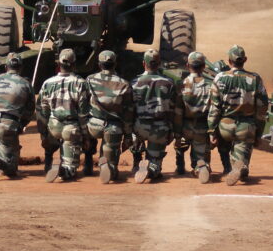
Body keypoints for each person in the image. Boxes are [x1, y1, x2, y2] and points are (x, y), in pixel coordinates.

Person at [207, 44, 268, 186]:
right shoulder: (255, 78)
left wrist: (211, 131)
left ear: (229, 61)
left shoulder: (220, 78)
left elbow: (214, 108)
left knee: (223, 142)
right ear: (245, 59)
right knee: (243, 148)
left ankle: (228, 167)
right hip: (246, 127)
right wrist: (258, 133)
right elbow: (262, 108)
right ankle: (241, 166)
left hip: (225, 127)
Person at [36, 48, 90, 182]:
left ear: (58, 64)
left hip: (53, 126)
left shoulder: (47, 83)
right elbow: (83, 113)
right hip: (70, 128)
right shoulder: (80, 83)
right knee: (70, 170)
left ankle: (49, 162)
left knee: (50, 141)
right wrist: (86, 136)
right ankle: (64, 169)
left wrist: (43, 134)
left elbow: (42, 111)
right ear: (74, 64)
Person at [85, 49, 135, 183]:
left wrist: (83, 127)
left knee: (88, 138)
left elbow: (83, 105)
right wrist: (128, 134)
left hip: (93, 125)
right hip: (113, 127)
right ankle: (109, 168)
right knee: (110, 148)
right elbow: (128, 112)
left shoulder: (89, 80)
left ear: (99, 64)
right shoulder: (124, 83)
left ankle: (88, 162)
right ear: (115, 64)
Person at [0, 52, 35, 180]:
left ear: (6, 67)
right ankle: (3, 165)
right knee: (11, 161)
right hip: (8, 124)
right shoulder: (26, 84)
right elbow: (30, 109)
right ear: (21, 67)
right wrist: (21, 124)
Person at [130, 49, 177, 184]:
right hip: (159, 129)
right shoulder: (169, 83)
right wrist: (171, 131)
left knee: (135, 133)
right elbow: (173, 110)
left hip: (138, 128)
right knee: (156, 166)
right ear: (159, 63)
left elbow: (129, 109)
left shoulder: (134, 82)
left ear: (143, 63)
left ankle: (137, 160)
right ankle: (151, 169)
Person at [177, 51, 215, 183]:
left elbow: (177, 111)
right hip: (202, 127)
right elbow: (213, 111)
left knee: (180, 145)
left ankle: (180, 166)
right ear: (204, 66)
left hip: (185, 127)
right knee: (201, 155)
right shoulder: (210, 86)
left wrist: (177, 133)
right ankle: (200, 167)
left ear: (187, 65)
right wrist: (212, 131)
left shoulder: (181, 85)